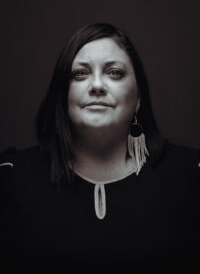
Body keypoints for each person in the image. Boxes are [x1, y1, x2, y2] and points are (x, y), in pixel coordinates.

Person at [0, 23, 199, 273]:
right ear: (63, 93)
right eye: (80, 73)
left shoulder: (191, 176)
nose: (96, 85)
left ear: (138, 98)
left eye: (114, 72)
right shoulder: (11, 178)